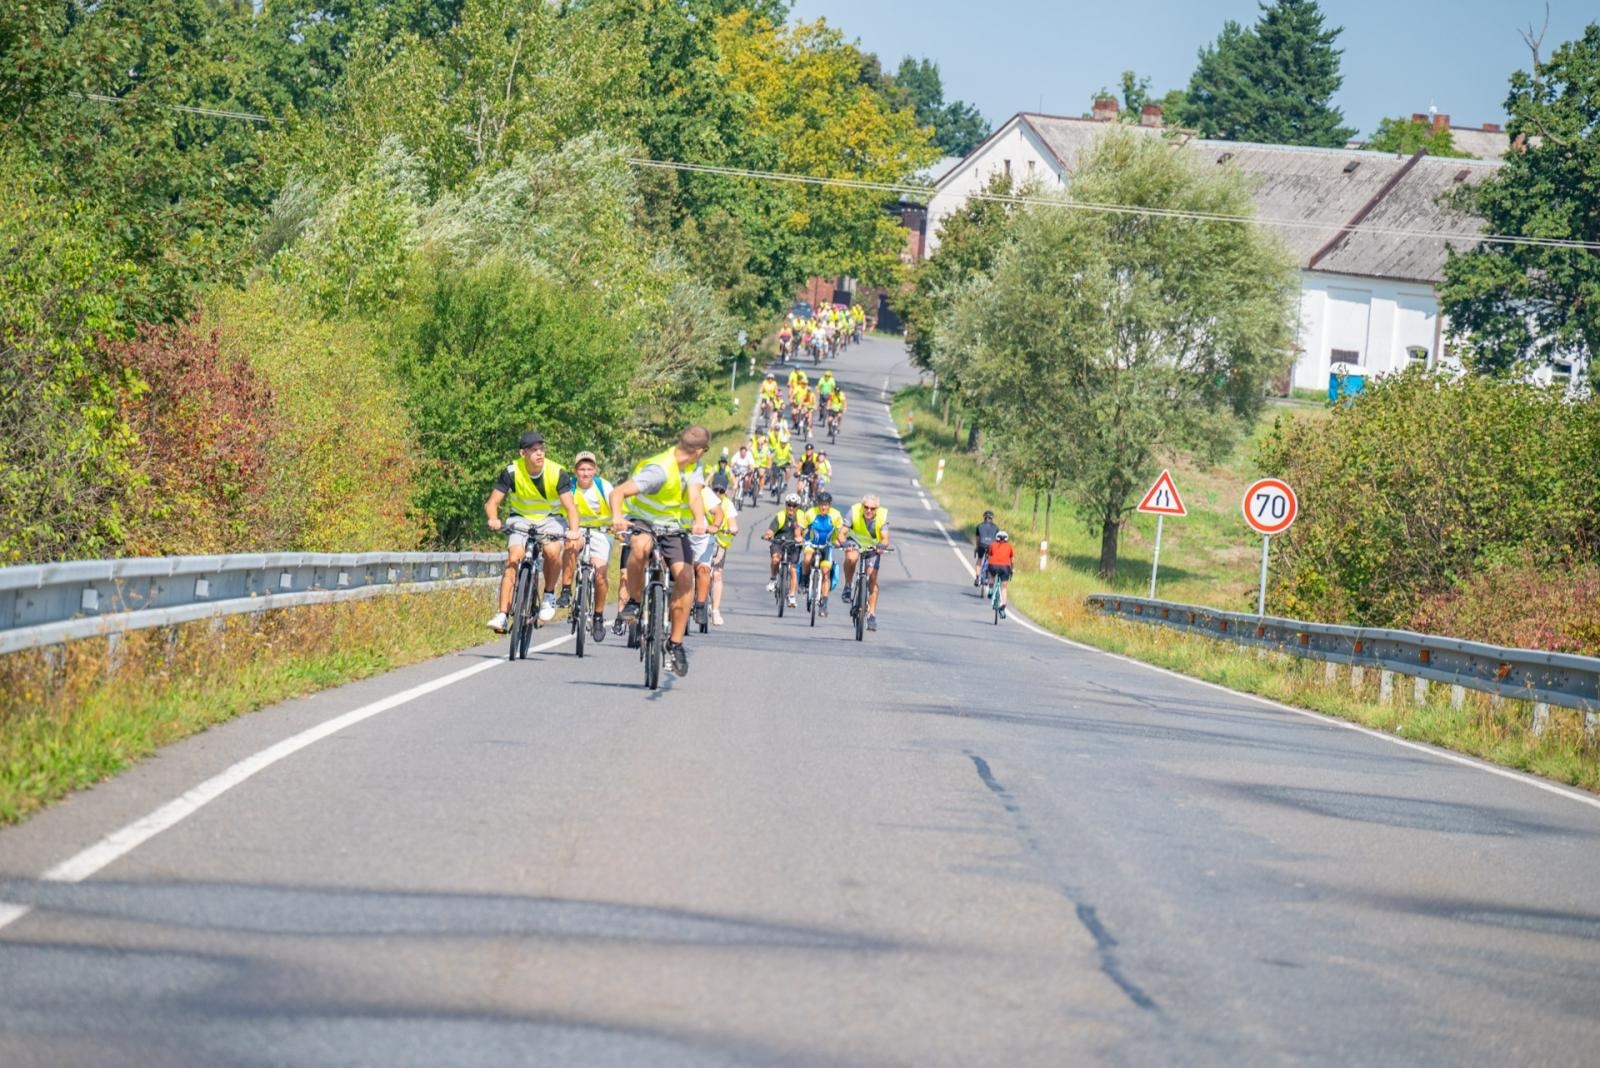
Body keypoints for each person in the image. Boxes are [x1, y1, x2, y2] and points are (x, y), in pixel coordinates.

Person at [609, 426, 711, 677]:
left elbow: (694, 496)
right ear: (700, 451)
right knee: (640, 547)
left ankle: (675, 644)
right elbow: (618, 492)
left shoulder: (694, 466)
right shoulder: (659, 470)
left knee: (685, 577)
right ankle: (634, 600)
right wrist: (617, 517)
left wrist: (699, 520)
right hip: (643, 521)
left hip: (672, 527)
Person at [485, 431, 582, 632]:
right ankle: (502, 615)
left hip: (550, 519)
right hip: (520, 519)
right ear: (523, 453)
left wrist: (573, 531)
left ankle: (548, 595)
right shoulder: (512, 471)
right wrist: (493, 518)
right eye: (534, 450)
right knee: (513, 559)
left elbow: (571, 508)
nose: (539, 453)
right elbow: (492, 502)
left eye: (541, 449)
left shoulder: (557, 472)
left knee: (552, 552)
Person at [567, 451, 616, 639]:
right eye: (581, 469)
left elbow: (616, 507)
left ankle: (598, 616)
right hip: (577, 529)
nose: (585, 473)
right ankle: (566, 589)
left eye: (589, 469)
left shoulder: (604, 486)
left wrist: (616, 523)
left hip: (601, 532)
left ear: (594, 470)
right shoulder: (569, 486)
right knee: (570, 546)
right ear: (575, 471)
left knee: (600, 575)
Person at [840, 494, 890, 632]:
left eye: (872, 509)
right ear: (862, 506)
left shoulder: (882, 516)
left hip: (873, 547)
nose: (868, 511)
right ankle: (848, 585)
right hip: (855, 542)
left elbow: (885, 538)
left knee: (872, 578)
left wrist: (881, 546)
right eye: (866, 507)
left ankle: (871, 615)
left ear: (877, 509)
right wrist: (844, 543)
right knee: (851, 558)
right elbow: (842, 532)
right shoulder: (854, 511)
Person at [798, 491, 845, 617]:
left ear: (830, 505)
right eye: (821, 504)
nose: (823, 507)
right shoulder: (810, 513)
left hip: (827, 546)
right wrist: (799, 537)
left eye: (826, 504)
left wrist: (843, 543)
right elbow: (800, 528)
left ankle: (824, 604)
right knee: (807, 558)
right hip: (811, 543)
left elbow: (841, 532)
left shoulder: (835, 515)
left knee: (825, 572)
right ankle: (803, 581)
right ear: (818, 504)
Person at [762, 493, 805, 607]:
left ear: (798, 507)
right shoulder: (780, 516)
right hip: (779, 543)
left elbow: (800, 530)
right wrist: (768, 535)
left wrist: (800, 537)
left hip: (794, 545)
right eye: (789, 505)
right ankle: (773, 579)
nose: (791, 508)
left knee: (793, 569)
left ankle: (792, 596)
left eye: (794, 505)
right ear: (786, 505)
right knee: (776, 559)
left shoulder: (801, 516)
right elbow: (771, 530)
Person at [709, 481, 739, 626]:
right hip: (702, 539)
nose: (718, 493)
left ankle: (715, 610)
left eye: (721, 491)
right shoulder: (704, 499)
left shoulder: (727, 504)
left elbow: (732, 522)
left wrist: (733, 528)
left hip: (719, 543)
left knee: (717, 574)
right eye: (715, 490)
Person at [986, 530, 1015, 618]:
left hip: (993, 565)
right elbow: (1012, 560)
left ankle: (990, 589)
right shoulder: (1009, 546)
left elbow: (989, 556)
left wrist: (988, 567)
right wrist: (1012, 569)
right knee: (1004, 588)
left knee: (991, 575)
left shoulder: (992, 545)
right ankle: (1002, 607)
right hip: (1005, 567)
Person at [974, 510, 1000, 586]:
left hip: (982, 544)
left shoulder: (979, 526)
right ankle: (988, 575)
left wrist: (977, 547)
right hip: (991, 546)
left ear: (984, 517)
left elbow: (978, 539)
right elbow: (997, 540)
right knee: (991, 560)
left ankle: (977, 578)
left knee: (979, 559)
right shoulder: (996, 527)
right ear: (992, 518)